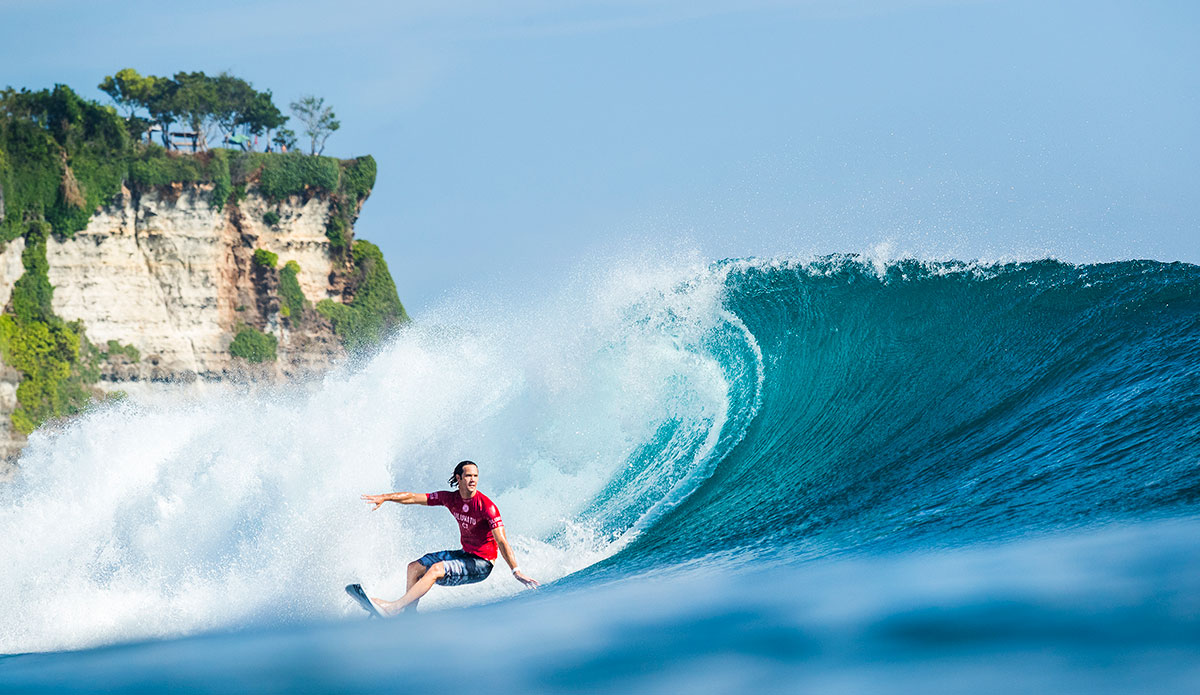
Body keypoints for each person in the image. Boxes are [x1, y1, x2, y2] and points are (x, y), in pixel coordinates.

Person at [354, 460, 539, 617]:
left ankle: (394, 608)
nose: (473, 479)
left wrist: (516, 570)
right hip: (465, 554)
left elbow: (502, 541)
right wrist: (385, 498)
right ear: (458, 478)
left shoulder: (487, 507)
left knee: (435, 569)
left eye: (475, 476)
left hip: (482, 564)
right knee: (414, 567)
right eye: (468, 476)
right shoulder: (450, 498)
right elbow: (412, 497)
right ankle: (409, 616)